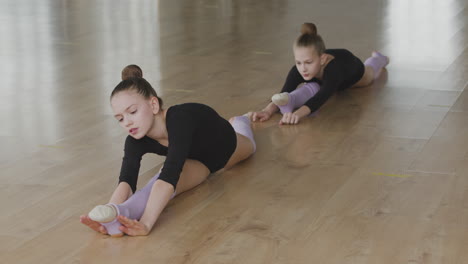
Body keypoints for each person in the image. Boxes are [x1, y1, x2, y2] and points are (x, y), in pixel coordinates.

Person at [80, 65, 256, 237]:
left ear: (154, 105)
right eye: (120, 118)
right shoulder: (134, 140)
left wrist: (146, 223)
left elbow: (169, 175)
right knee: (161, 181)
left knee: (250, 146)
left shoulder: (180, 119)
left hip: (226, 147)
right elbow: (126, 181)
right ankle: (122, 212)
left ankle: (242, 120)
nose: (127, 122)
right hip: (201, 164)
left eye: (132, 112)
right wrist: (109, 213)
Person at [251, 22, 389, 125]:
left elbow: (320, 99)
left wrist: (297, 114)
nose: (303, 68)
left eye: (308, 62)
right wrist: (267, 111)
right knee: (321, 85)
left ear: (323, 59)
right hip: (327, 78)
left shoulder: (333, 70)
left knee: (369, 76)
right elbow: (284, 92)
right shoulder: (299, 69)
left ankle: (378, 59)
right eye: (299, 62)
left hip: (353, 70)